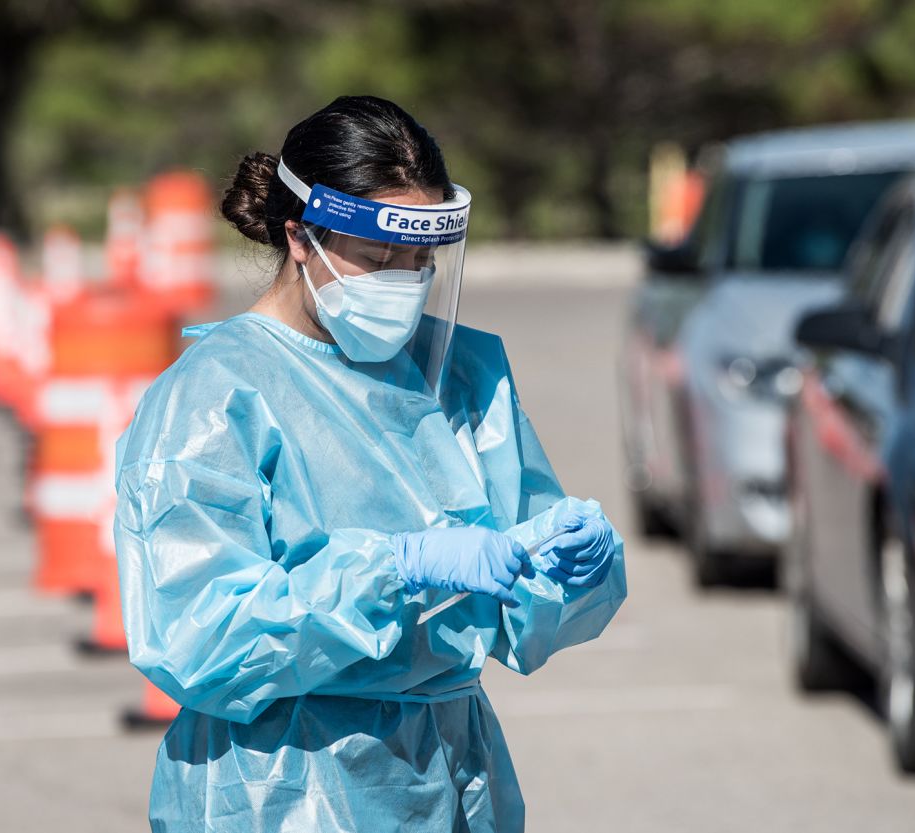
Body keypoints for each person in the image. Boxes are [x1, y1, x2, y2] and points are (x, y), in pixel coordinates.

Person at [113, 96, 627, 832]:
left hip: (451, 774)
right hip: (281, 790)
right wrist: (395, 569)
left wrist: (574, 570)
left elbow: (521, 614)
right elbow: (199, 640)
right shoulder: (212, 397)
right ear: (300, 236)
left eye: (421, 261)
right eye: (380, 257)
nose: (404, 281)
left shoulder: (461, 371)